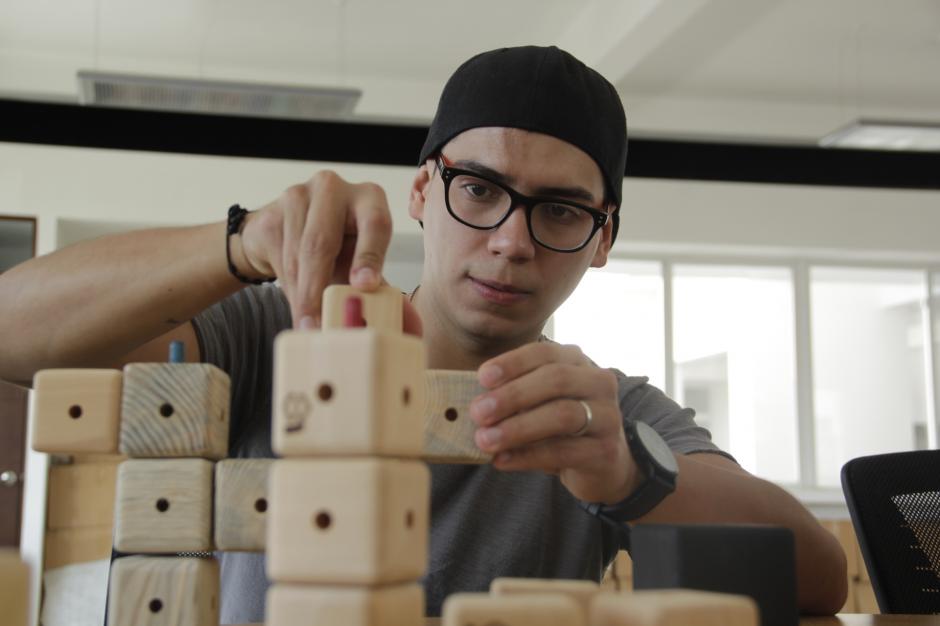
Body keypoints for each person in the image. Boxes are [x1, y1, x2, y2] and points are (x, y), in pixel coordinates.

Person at [0, 46, 847, 621]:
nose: (511, 240)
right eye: (478, 189)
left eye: (558, 211)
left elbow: (817, 573)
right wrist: (238, 244)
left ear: (603, 240)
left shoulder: (601, 414)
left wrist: (626, 473)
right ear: (421, 192)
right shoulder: (279, 332)